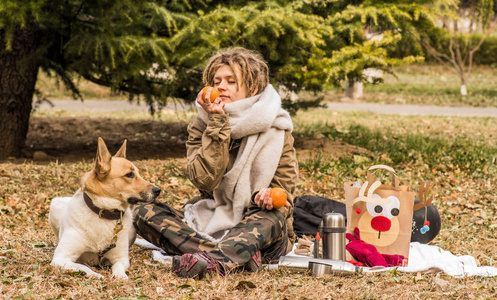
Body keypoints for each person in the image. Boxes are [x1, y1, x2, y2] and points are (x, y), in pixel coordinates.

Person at [133, 47, 298, 278]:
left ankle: (212, 263)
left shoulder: (278, 128)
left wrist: (266, 198)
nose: (221, 86)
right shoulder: (201, 125)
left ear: (254, 88)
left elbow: (285, 193)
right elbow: (205, 181)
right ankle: (239, 256)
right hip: (212, 216)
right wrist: (217, 123)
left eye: (231, 81)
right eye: (217, 80)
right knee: (142, 210)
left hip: (259, 223)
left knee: (270, 219)